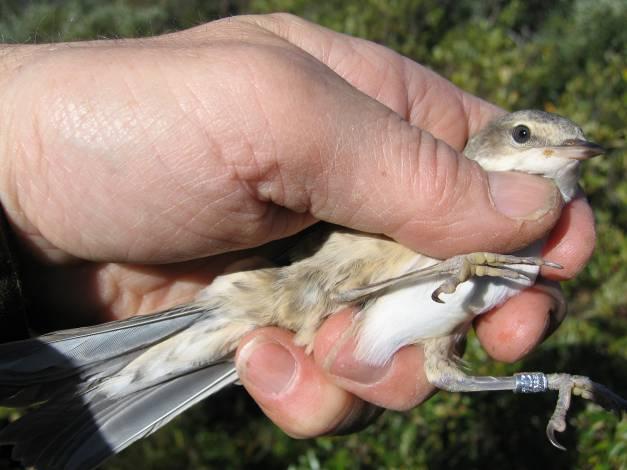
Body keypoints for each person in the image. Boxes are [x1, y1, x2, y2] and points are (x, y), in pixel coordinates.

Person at [0, 14, 594, 437]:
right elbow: (345, 288)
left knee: (434, 369)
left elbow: (444, 370)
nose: (555, 153)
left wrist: (544, 383)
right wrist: (450, 263)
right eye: (524, 136)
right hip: (306, 287)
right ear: (487, 143)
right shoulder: (458, 179)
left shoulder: (535, 226)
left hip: (315, 317)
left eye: (571, 148)